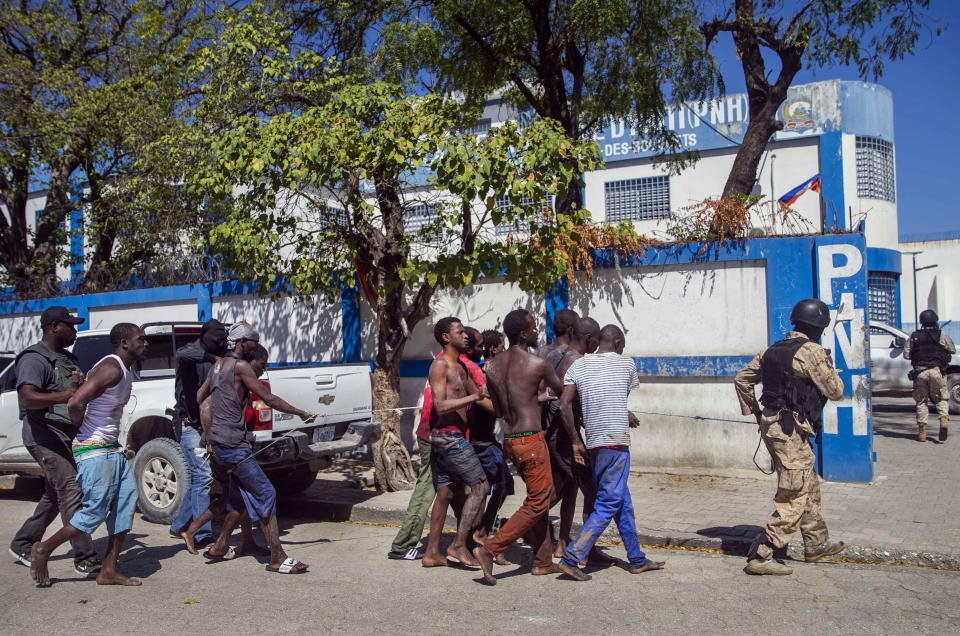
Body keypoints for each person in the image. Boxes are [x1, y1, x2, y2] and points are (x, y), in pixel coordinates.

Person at [29, 323, 148, 587]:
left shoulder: (123, 369)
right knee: (93, 511)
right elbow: (74, 401)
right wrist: (82, 427)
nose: (146, 343)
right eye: (141, 338)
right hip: (94, 450)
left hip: (111, 449)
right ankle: (43, 549)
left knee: (124, 507)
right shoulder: (112, 367)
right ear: (125, 342)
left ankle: (108, 570)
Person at [735, 298, 846, 576]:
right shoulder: (812, 352)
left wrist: (757, 412)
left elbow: (742, 379)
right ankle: (764, 552)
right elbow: (836, 391)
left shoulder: (771, 350)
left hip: (777, 426)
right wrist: (830, 370)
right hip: (790, 430)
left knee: (807, 482)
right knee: (794, 489)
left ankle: (817, 544)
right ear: (819, 327)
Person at [474, 308, 577, 585]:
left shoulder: (492, 367)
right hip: (531, 438)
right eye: (532, 327)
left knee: (536, 498)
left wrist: (531, 399)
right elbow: (561, 393)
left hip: (510, 439)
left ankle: (543, 562)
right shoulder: (537, 363)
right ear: (522, 334)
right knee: (538, 501)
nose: (535, 331)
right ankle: (490, 548)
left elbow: (498, 410)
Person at [555, 324, 663, 581]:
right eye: (622, 346)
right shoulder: (627, 364)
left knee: (621, 501)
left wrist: (574, 440)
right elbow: (618, 399)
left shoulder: (578, 366)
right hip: (616, 441)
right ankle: (571, 558)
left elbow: (563, 405)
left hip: (594, 442)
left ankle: (637, 558)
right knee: (609, 502)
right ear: (617, 343)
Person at [197, 343, 315, 573]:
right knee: (265, 492)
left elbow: (201, 396)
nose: (264, 369)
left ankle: (221, 546)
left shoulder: (218, 366)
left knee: (241, 497)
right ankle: (277, 557)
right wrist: (301, 413)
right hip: (234, 446)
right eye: (262, 364)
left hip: (222, 444)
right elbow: (269, 399)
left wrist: (213, 432)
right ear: (251, 361)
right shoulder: (240, 367)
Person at [9, 306, 101, 577]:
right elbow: (27, 397)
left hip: (65, 435)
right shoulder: (36, 359)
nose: (75, 330)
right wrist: (62, 397)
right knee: (71, 489)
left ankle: (24, 542)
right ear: (52, 327)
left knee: (54, 493)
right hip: (43, 435)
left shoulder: (67, 359)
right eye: (69, 325)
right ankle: (85, 557)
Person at [178, 321, 266, 556]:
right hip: (211, 436)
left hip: (228, 439)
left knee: (235, 495)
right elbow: (204, 404)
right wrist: (210, 441)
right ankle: (203, 535)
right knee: (208, 482)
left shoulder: (229, 367)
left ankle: (190, 529)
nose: (262, 371)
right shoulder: (220, 364)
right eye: (261, 366)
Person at [543, 317, 615, 567]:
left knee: (563, 488)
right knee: (591, 490)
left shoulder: (556, 354)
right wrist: (575, 439)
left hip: (554, 432)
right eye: (596, 340)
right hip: (564, 435)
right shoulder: (579, 361)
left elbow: (555, 394)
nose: (597, 345)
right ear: (589, 339)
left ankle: (565, 543)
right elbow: (563, 404)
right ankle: (585, 551)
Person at [420, 318, 492, 568]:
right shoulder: (440, 366)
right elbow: (440, 405)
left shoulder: (461, 366)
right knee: (481, 487)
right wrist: (473, 396)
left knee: (446, 492)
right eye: (460, 332)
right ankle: (459, 545)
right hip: (448, 437)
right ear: (446, 338)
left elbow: (483, 399)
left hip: (454, 437)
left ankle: (431, 553)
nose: (466, 337)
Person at [169, 319, 228, 547]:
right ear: (204, 337)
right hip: (190, 424)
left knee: (198, 479)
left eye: (223, 338)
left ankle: (178, 526)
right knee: (203, 477)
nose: (220, 343)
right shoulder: (190, 352)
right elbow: (184, 354)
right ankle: (202, 534)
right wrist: (215, 359)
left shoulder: (223, 352)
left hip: (211, 423)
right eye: (216, 339)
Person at [463, 327, 514, 560]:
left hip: (483, 440)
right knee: (500, 486)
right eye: (502, 348)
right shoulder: (487, 372)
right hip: (482, 441)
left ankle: (477, 534)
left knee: (486, 489)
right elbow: (494, 406)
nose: (504, 352)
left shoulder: (487, 370)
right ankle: (482, 533)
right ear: (494, 349)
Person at [905, 309, 955, 442]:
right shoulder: (941, 334)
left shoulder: (914, 335)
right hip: (937, 371)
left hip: (920, 372)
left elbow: (906, 354)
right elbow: (952, 349)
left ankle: (922, 431)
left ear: (922, 322)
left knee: (921, 401)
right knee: (941, 398)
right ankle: (943, 419)